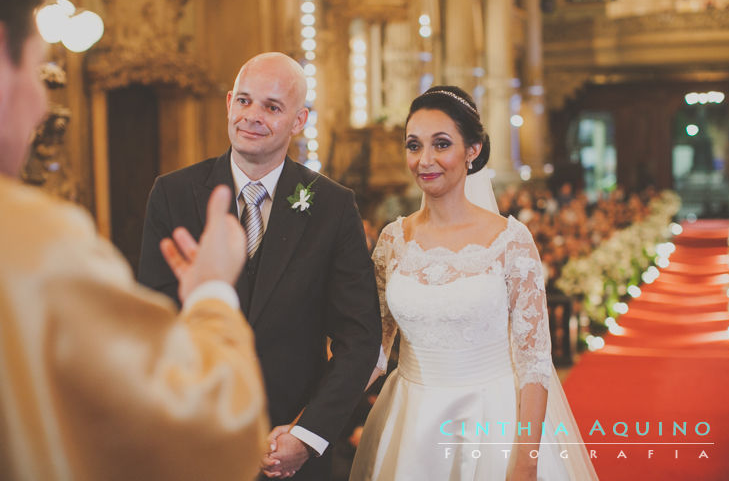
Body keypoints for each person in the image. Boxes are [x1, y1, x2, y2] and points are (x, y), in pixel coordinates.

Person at [0, 0, 269, 479]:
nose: (41, 104)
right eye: (37, 69)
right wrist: (211, 290)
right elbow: (209, 425)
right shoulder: (37, 240)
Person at [138, 52, 382, 479]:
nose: (252, 116)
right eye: (245, 101)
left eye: (272, 107)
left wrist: (306, 435)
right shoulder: (172, 195)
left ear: (299, 120)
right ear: (230, 101)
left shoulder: (331, 205)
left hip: (290, 441)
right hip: (195, 440)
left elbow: (359, 338)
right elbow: (153, 322)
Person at [349, 86, 598, 480]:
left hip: (491, 420)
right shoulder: (392, 241)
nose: (425, 160)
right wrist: (313, 421)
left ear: (473, 150)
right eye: (414, 146)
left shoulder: (511, 242)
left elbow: (534, 363)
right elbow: (375, 353)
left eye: (441, 144)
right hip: (410, 420)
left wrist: (525, 461)